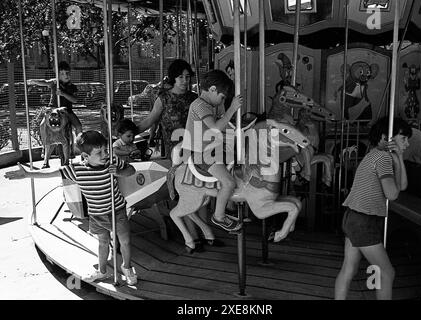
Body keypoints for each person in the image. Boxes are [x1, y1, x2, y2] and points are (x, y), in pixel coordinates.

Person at [4, 131, 138, 285]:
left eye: (105, 150)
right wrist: (28, 174)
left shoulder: (112, 162)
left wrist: (119, 172)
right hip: (96, 214)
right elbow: (50, 173)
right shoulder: (76, 170)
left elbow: (131, 170)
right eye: (99, 152)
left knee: (125, 241)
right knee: (102, 242)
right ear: (86, 157)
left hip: (117, 210)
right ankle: (102, 271)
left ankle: (127, 267)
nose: (105, 155)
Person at [138, 59, 224, 249]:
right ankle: (195, 237)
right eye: (181, 77)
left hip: (198, 151)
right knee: (187, 194)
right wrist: (126, 131)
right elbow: (150, 120)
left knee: (203, 194)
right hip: (176, 152)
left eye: (187, 77)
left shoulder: (197, 99)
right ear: (173, 78)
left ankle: (206, 233)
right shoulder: (163, 99)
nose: (185, 80)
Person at [335, 116, 412, 300]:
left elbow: (402, 186)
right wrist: (396, 159)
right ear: (387, 137)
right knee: (387, 272)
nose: (407, 144)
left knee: (349, 269)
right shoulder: (383, 159)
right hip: (364, 221)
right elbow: (393, 194)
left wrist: (399, 158)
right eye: (404, 138)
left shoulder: (376, 155)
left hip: (353, 217)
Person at [181, 69, 243, 232]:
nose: (222, 101)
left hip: (210, 150)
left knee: (239, 161)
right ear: (213, 89)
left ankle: (231, 203)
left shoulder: (208, 105)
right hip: (201, 155)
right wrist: (232, 109)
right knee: (229, 182)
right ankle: (219, 216)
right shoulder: (200, 105)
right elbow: (215, 128)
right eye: (222, 97)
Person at [29, 61, 82, 136]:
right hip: (53, 109)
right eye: (62, 74)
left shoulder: (72, 86)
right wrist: (34, 81)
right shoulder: (54, 83)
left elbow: (75, 100)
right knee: (42, 125)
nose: (66, 75)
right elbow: (45, 82)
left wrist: (63, 94)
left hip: (67, 111)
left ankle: (78, 144)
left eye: (67, 73)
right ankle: (45, 145)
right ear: (58, 75)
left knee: (78, 126)